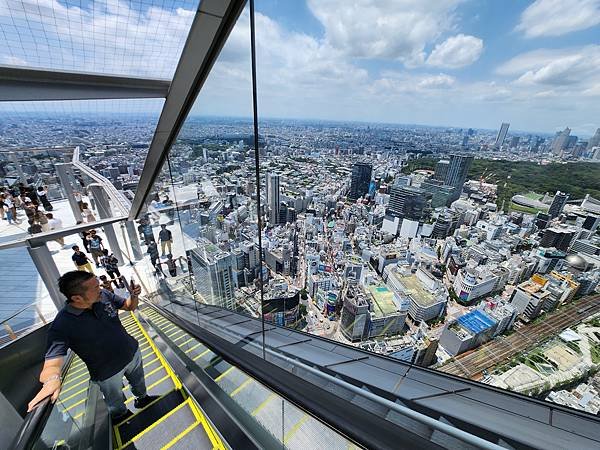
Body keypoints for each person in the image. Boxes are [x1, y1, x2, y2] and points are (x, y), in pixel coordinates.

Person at [27, 271, 157, 422]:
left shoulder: (104, 296)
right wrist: (52, 380)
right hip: (107, 373)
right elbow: (51, 363)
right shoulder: (62, 325)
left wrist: (134, 296)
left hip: (132, 353)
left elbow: (128, 306)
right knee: (114, 400)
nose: (100, 289)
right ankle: (122, 417)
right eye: (95, 288)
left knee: (139, 382)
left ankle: (142, 399)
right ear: (77, 298)